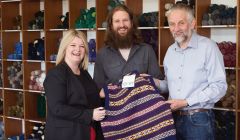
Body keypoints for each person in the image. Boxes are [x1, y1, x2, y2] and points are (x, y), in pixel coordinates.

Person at [153, 4, 227, 140]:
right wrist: (153, 82)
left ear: (192, 23)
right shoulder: (170, 51)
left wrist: (186, 102)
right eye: (172, 24)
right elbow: (169, 86)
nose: (176, 29)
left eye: (181, 23)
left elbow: (219, 87)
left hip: (198, 120)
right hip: (172, 119)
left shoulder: (208, 47)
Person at [43, 29, 106, 140]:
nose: (78, 49)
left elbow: (91, 96)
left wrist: (111, 93)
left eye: (82, 46)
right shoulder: (56, 74)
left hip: (86, 132)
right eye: (73, 45)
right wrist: (90, 115)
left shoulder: (84, 73)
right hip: (65, 135)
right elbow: (58, 108)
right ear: (65, 48)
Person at [93, 5, 163, 89]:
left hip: (142, 101)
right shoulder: (102, 54)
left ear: (132, 23)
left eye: (125, 20)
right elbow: (97, 88)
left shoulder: (147, 50)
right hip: (114, 102)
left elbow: (159, 83)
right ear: (111, 25)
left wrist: (148, 81)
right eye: (117, 21)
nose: (122, 25)